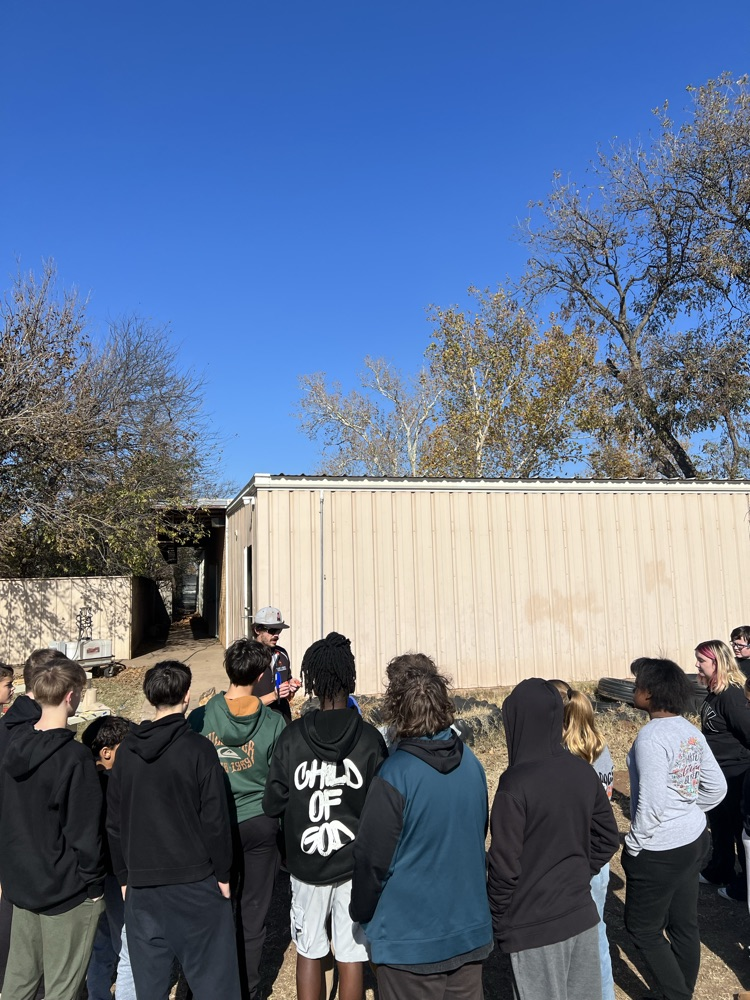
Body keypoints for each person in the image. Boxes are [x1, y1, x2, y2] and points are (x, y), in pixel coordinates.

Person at [351, 660, 493, 1000]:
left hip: (408, 945)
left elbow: (372, 860)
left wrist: (360, 911)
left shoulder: (395, 775)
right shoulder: (473, 765)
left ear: (397, 713)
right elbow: (477, 834)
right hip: (468, 935)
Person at [107, 660, 241, 1000]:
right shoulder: (198, 749)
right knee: (214, 982)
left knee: (148, 987)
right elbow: (215, 819)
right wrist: (223, 873)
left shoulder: (126, 755)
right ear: (186, 696)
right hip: (195, 883)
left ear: (151, 698)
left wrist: (124, 876)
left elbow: (115, 821)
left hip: (142, 888)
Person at [263, 632, 386, 1000]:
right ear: (350, 678)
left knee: (309, 950)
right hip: (354, 864)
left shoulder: (292, 737)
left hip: (305, 864)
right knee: (351, 954)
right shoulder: (369, 739)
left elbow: (273, 802)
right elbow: (383, 805)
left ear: (313, 681)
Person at [487, 678, 619, 1000]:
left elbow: (504, 867)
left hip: (534, 928)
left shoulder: (513, 785)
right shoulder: (581, 770)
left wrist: (498, 919)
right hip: (581, 917)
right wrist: (576, 874)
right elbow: (608, 837)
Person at [0, 656, 105, 1000]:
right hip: (65, 891)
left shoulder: (12, 746)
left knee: (18, 983)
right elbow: (85, 832)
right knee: (63, 987)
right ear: (71, 695)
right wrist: (95, 886)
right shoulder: (73, 759)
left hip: (22, 883)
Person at [623, 658, 726, 1000]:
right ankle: (683, 989)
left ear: (649, 694)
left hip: (660, 848)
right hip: (695, 839)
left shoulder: (650, 738)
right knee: (684, 925)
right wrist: (689, 812)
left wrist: (634, 845)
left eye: (637, 685)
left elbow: (650, 804)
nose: (634, 689)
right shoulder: (688, 729)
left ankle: (676, 995)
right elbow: (716, 787)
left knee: (643, 929)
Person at [189, 637, 286, 1000]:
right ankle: (248, 988)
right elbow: (280, 782)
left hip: (212, 826)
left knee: (216, 909)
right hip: (259, 824)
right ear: (261, 674)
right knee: (254, 911)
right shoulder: (274, 724)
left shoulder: (201, 716)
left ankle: (213, 985)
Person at [0, 648, 70, 995]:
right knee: (20, 938)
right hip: (31, 844)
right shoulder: (24, 728)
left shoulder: (18, 721)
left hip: (20, 841)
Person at [551, 682, 616, 1000]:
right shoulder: (602, 748)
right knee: (598, 931)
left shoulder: (563, 755)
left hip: (571, 856)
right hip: (598, 856)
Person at [81, 715, 136, 1000]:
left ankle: (97, 993)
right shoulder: (117, 783)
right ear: (106, 752)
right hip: (118, 875)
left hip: (95, 876)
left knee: (101, 941)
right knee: (128, 945)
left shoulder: (84, 782)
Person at [694, 638, 750, 900]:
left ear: (717, 662)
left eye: (702, 660)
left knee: (739, 830)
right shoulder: (714, 692)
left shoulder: (733, 696)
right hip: (718, 773)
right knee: (720, 825)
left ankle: (744, 885)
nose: (697, 664)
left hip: (737, 773)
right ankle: (720, 869)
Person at [250, 606, 302, 722]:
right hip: (257, 723)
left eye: (279, 631)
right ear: (257, 630)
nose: (277, 635)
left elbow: (288, 696)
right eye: (272, 630)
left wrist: (291, 686)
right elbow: (241, 703)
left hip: (282, 721)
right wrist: (273, 696)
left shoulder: (282, 654)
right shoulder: (247, 656)